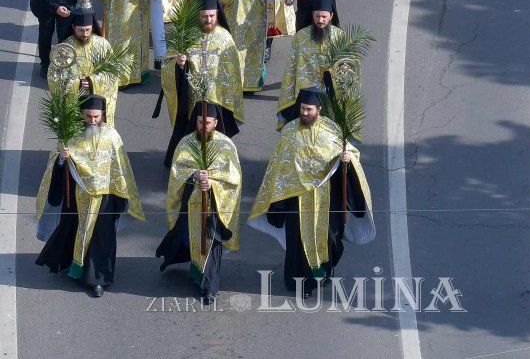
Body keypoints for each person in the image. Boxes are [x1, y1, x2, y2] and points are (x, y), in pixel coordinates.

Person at [249, 88, 375, 297]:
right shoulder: (290, 131)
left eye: (309, 110)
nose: (304, 113)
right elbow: (279, 165)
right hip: (296, 198)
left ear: (319, 109)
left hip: (326, 197)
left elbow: (351, 154)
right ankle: (302, 284)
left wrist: (348, 159)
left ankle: (322, 273)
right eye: (302, 109)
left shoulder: (333, 131)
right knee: (299, 242)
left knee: (330, 238)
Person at [36, 96, 144, 297]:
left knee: (102, 239)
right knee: (75, 232)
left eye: (96, 117)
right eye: (88, 116)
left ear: (103, 114)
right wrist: (62, 159)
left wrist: (121, 196)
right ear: (81, 114)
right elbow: (56, 167)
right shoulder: (70, 135)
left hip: (105, 199)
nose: (93, 121)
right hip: (78, 197)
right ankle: (73, 267)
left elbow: (122, 168)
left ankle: (98, 280)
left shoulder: (112, 136)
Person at [156, 102, 242, 306]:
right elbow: (177, 172)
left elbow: (234, 177)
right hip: (191, 205)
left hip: (215, 206)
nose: (203, 126)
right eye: (200, 122)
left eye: (208, 123)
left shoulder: (225, 145)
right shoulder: (186, 143)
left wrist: (212, 182)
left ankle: (210, 286)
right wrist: (194, 174)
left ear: (216, 123)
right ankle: (197, 274)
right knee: (193, 242)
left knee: (212, 243)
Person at [160, 0, 243, 166]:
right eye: (204, 16)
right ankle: (189, 161)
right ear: (198, 15)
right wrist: (178, 63)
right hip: (192, 96)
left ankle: (217, 162)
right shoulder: (187, 35)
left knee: (215, 130)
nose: (208, 20)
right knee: (192, 128)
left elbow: (234, 71)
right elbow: (167, 62)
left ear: (217, 14)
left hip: (217, 97)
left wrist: (229, 96)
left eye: (212, 16)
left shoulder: (225, 37)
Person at [47, 7, 119, 125]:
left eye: (87, 30)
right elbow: (54, 76)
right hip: (74, 100)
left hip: (97, 100)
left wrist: (91, 81)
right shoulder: (65, 48)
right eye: (80, 30)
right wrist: (77, 83)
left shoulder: (102, 45)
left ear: (92, 27)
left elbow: (112, 72)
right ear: (73, 27)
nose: (85, 34)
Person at [277, 0, 343, 127]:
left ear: (331, 16)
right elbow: (291, 66)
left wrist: (332, 74)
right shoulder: (301, 36)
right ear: (312, 15)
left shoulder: (340, 37)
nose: (320, 20)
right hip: (303, 91)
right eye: (317, 16)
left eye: (324, 17)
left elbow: (348, 65)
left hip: (329, 90)